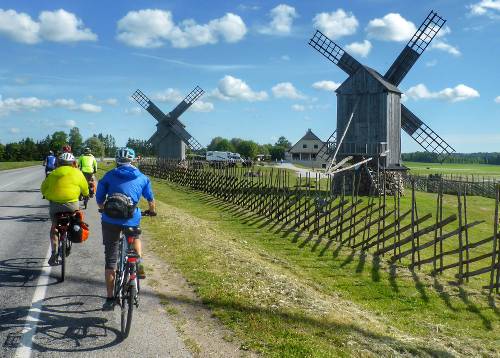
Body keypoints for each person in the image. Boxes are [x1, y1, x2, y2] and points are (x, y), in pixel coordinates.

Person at [96, 147, 156, 311]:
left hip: (110, 220)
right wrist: (151, 211)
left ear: (117, 160)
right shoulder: (142, 178)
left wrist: (102, 208)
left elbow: (99, 197)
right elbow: (150, 199)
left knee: (111, 261)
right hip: (131, 218)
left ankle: (109, 299)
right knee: (135, 238)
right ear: (133, 160)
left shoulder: (109, 175)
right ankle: (138, 263)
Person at [41, 152, 89, 265]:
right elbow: (85, 188)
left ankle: (54, 252)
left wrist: (47, 194)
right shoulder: (77, 173)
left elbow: (43, 188)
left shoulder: (52, 173)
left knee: (54, 227)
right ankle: (71, 232)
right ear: (73, 163)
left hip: (55, 205)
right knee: (74, 220)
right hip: (72, 204)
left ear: (59, 163)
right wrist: (85, 194)